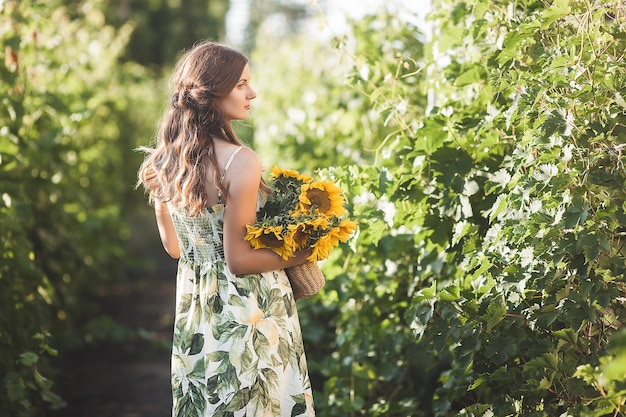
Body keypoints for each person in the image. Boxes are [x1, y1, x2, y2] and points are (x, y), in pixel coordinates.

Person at [137, 41, 316, 417]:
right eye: (241, 85)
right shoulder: (241, 161)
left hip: (198, 316)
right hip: (250, 315)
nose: (253, 93)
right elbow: (239, 260)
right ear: (212, 93)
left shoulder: (164, 162)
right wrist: (307, 248)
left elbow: (174, 247)